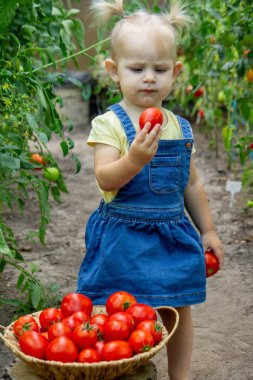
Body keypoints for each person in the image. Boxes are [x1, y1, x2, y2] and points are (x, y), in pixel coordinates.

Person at [77, 1, 224, 379]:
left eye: (159, 69)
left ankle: (181, 375)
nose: (148, 78)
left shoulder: (179, 126)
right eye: (136, 68)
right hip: (123, 238)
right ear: (114, 71)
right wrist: (135, 160)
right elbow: (106, 178)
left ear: (174, 72)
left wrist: (207, 229)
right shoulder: (110, 123)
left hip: (170, 235)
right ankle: (120, 369)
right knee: (118, 314)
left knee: (177, 309)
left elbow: (191, 182)